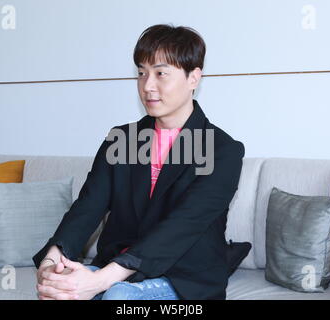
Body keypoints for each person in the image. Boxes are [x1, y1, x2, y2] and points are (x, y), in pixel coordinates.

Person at [33, 24, 245, 300]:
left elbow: (183, 225)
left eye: (161, 74)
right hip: (116, 270)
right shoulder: (122, 140)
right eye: (142, 73)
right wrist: (53, 261)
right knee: (61, 292)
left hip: (184, 280)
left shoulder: (222, 150)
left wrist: (100, 281)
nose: (148, 86)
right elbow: (87, 207)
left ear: (193, 78)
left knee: (119, 297)